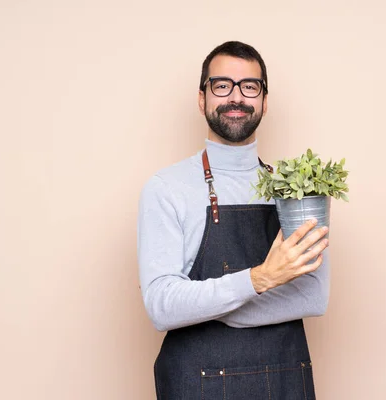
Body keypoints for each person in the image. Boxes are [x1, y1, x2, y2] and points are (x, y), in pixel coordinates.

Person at [137, 40, 330, 399]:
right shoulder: (167, 188)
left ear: (264, 101)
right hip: (197, 385)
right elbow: (162, 306)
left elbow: (312, 297)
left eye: (249, 86)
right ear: (202, 98)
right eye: (222, 85)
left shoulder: (298, 192)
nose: (236, 97)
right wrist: (260, 279)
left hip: (285, 382)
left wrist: (218, 310)